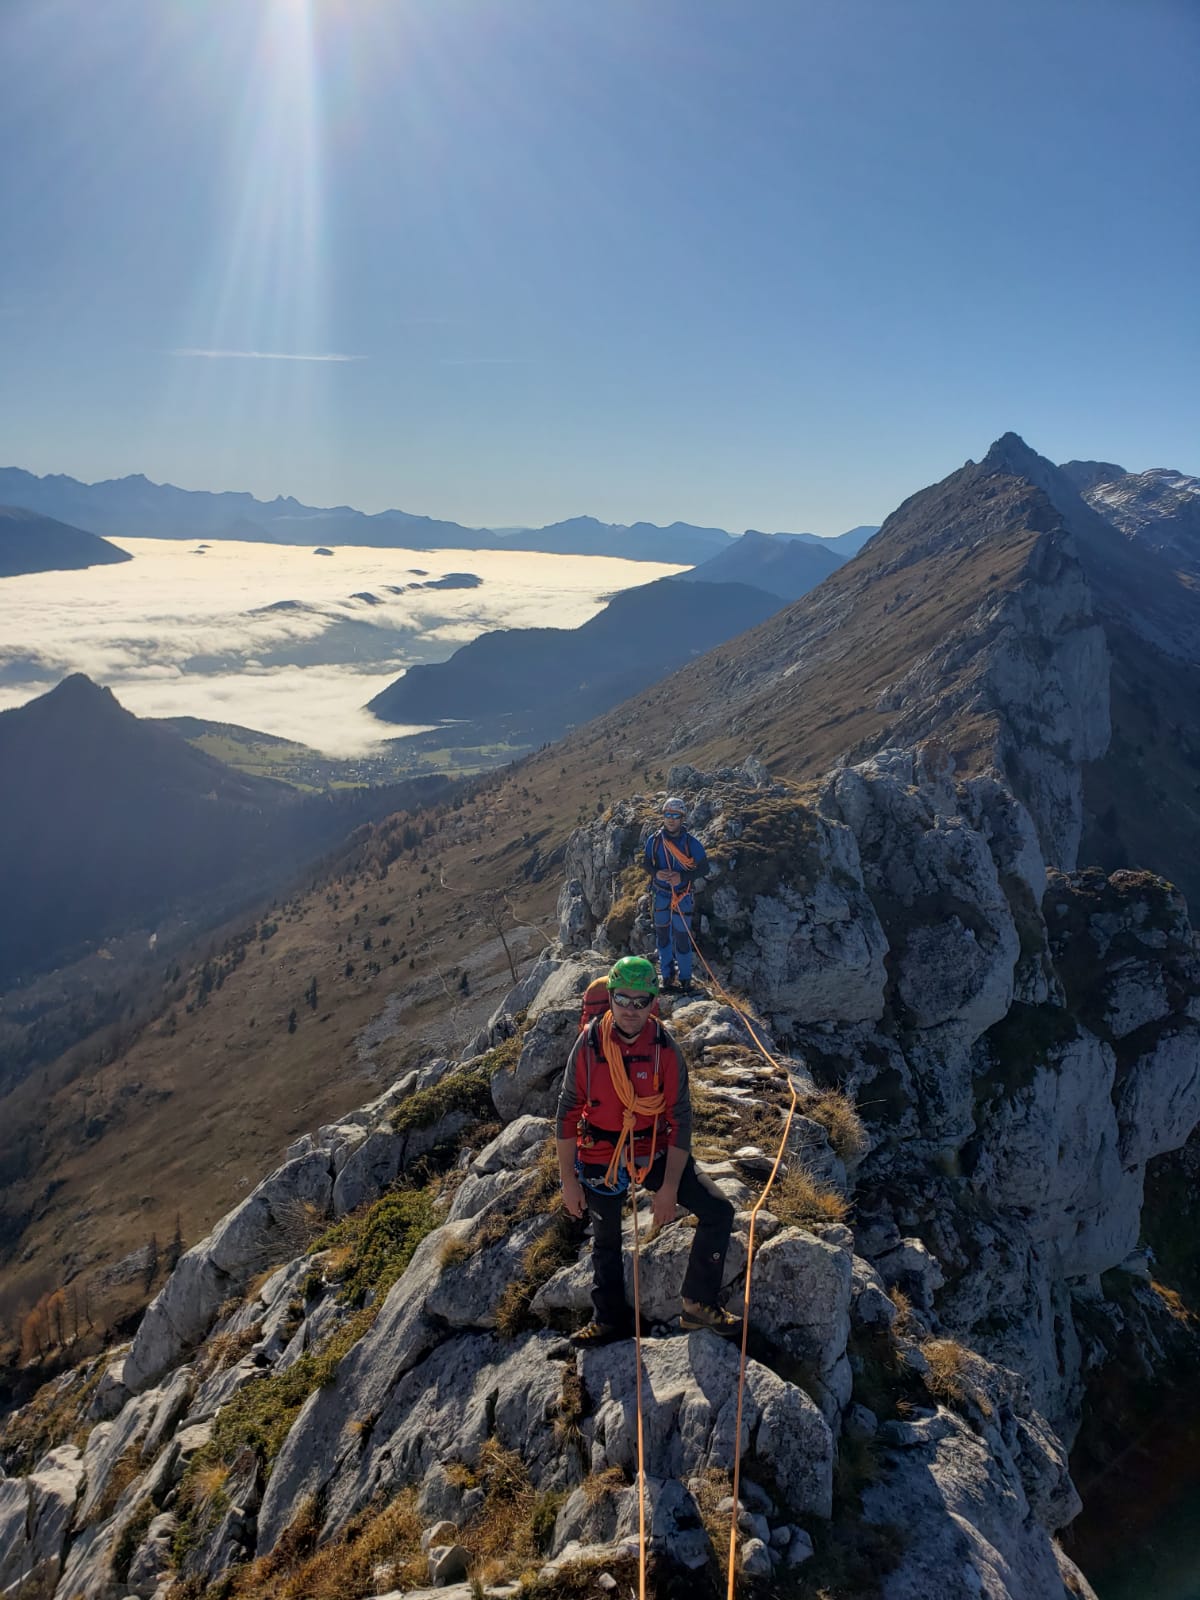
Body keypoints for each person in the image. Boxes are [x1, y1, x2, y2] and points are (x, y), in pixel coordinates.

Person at [556, 955, 739, 1346]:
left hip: (652, 1148)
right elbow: (567, 1111)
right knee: (606, 1239)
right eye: (623, 999)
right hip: (601, 1154)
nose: (631, 1010)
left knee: (718, 1210)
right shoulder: (588, 1045)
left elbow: (681, 1119)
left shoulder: (664, 1049)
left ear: (654, 1002)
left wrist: (669, 1187)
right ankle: (608, 1318)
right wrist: (568, 1181)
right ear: (610, 997)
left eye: (642, 1001)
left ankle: (697, 1304)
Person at [644, 797, 709, 994]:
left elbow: (704, 868)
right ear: (663, 816)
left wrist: (682, 876)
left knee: (682, 938)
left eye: (675, 816)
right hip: (661, 894)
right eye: (667, 815)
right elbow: (646, 863)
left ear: (682, 818)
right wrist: (656, 873)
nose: (670, 819)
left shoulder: (691, 843)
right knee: (663, 937)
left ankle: (686, 979)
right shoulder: (654, 841)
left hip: (682, 896)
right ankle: (667, 977)